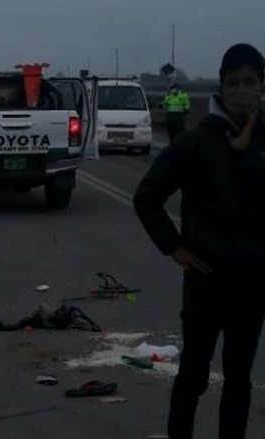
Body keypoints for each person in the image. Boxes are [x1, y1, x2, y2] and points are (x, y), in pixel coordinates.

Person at [133, 43, 265, 439]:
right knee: (194, 376)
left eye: (250, 82)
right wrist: (174, 246)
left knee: (239, 379)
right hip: (206, 278)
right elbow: (147, 197)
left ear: (262, 86)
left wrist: (247, 152)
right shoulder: (196, 143)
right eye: (233, 83)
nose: (241, 90)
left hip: (254, 281)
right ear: (221, 89)